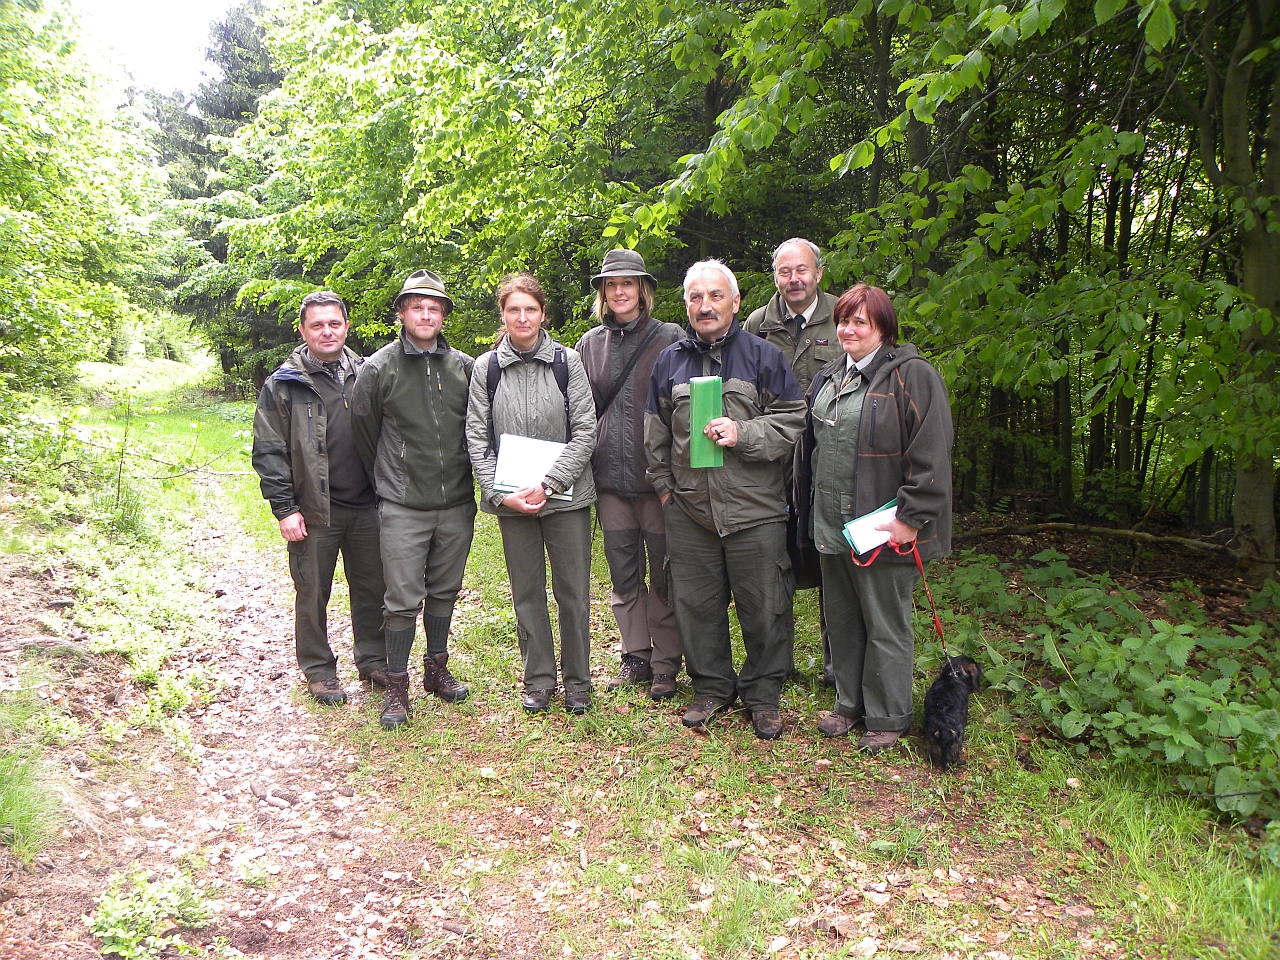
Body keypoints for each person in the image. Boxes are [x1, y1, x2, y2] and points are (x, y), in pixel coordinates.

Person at [644, 260, 806, 740]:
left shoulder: (762, 356)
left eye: (715, 296)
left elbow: (793, 420)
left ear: (735, 303)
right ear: (686, 305)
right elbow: (655, 436)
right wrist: (666, 492)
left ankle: (763, 694)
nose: (705, 306)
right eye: (695, 297)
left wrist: (744, 433)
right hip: (689, 511)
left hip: (755, 511)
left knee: (766, 607)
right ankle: (712, 687)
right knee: (696, 606)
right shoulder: (668, 362)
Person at [794, 284, 953, 753]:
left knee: (885, 623)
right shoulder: (829, 376)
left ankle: (887, 715)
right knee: (841, 619)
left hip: (883, 528)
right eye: (843, 321)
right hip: (831, 523)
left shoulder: (912, 376)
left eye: (860, 322)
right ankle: (849, 705)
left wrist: (911, 518)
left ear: (883, 327)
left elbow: (932, 453)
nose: (848, 330)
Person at [465, 273, 598, 714]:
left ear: (544, 314)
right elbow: (477, 437)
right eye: (513, 310)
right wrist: (499, 493)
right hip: (512, 500)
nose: (522, 317)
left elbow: (585, 430)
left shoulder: (566, 362)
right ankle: (539, 680)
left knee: (573, 593)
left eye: (531, 309)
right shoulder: (487, 368)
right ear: (502, 315)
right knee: (526, 593)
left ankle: (578, 682)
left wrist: (551, 482)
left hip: (566, 498)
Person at [351, 270, 476, 729]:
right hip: (403, 504)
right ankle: (397, 685)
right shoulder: (378, 368)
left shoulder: (465, 367)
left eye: (434, 308)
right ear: (402, 313)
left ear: (443, 315)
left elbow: (477, 429)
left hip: (457, 502)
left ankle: (436, 669)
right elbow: (364, 433)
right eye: (417, 307)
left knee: (445, 589)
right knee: (402, 599)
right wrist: (393, 477)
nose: (426, 315)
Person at [252, 291, 387, 706]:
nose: (326, 331)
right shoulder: (283, 384)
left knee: (373, 589)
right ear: (303, 330)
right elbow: (269, 450)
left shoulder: (369, 373)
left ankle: (373, 660)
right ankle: (319, 670)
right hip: (313, 511)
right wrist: (285, 508)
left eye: (334, 323)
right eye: (317, 325)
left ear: (346, 327)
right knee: (312, 593)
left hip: (368, 506)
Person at [575, 250, 684, 699]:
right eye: (611, 284)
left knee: (664, 574)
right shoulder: (589, 345)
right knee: (623, 575)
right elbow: (578, 411)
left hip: (657, 482)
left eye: (628, 283)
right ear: (603, 292)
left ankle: (666, 662)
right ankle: (635, 655)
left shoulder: (670, 337)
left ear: (643, 289)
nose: (619, 291)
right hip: (609, 483)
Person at [744, 237, 841, 684]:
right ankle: (777, 664)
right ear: (775, 277)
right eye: (785, 272)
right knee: (775, 565)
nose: (794, 279)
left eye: (802, 270)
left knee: (832, 564)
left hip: (826, 463)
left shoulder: (842, 317)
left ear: (818, 273)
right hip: (773, 464)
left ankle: (837, 667)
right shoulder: (757, 324)